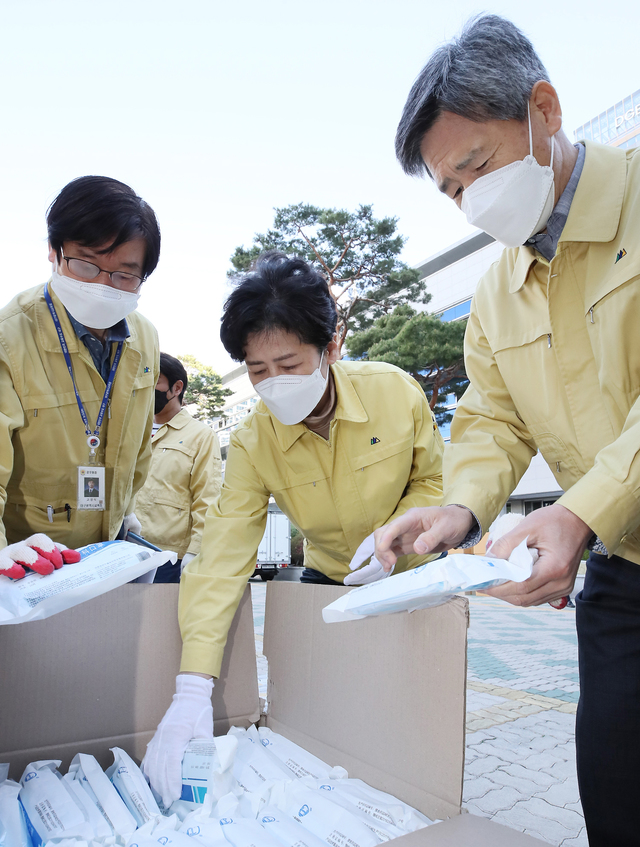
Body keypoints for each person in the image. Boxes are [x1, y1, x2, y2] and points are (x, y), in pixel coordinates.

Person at [368, 15, 640, 845]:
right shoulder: (494, 293)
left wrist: (579, 510)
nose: (470, 200)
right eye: (450, 190)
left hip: (599, 520)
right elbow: (490, 417)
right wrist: (461, 510)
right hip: (624, 564)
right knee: (616, 781)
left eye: (478, 166)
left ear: (544, 110)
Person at [142, 250, 445, 806]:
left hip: (415, 578)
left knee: (417, 724)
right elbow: (222, 554)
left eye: (288, 364)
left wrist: (406, 532)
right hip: (330, 586)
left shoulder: (395, 392)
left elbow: (433, 481)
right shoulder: (253, 440)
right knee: (336, 723)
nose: (274, 383)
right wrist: (192, 687)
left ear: (331, 347)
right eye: (258, 371)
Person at [0, 175, 161, 580]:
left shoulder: (145, 337)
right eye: (86, 264)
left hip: (106, 554)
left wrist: (125, 511)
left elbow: (139, 446)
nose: (103, 285)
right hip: (29, 562)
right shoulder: (9, 338)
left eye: (124, 275)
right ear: (54, 252)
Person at [136, 353, 222, 583]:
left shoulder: (201, 436)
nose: (146, 388)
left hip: (168, 555)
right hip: (125, 548)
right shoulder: (133, 430)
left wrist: (196, 551)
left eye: (154, 381)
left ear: (177, 387)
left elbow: (208, 497)